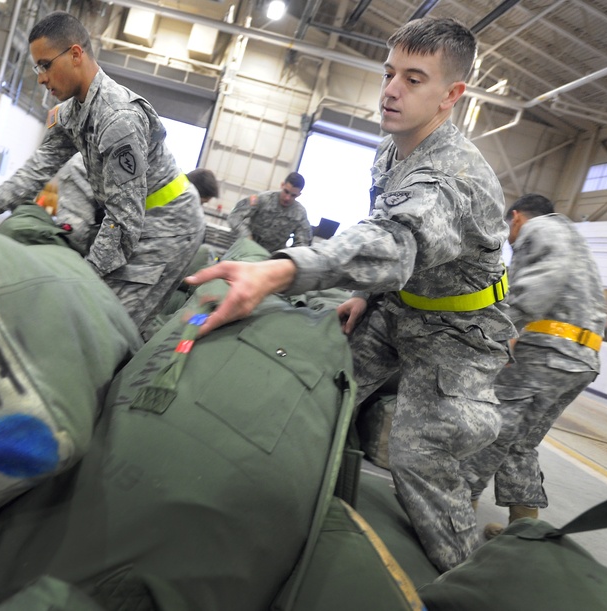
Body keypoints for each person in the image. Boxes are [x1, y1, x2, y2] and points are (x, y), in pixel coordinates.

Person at [185, 17, 516, 572]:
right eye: (390, 73)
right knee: (325, 387)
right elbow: (384, 227)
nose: (391, 89)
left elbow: (396, 240)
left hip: (458, 334)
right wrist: (369, 297)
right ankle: (308, 514)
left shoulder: (453, 178)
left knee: (417, 458)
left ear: (450, 96)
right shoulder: (392, 150)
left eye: (414, 79)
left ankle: (465, 579)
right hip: (399, 307)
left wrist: (281, 271)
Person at [0, 12, 205, 337]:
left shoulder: (118, 119)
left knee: (107, 329)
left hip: (167, 226)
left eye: (45, 65)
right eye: (37, 68)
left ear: (75, 54)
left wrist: (85, 277)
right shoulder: (72, 112)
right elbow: (37, 169)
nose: (41, 78)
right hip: (132, 217)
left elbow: (124, 220)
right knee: (85, 311)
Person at [461, 194, 606, 537]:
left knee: (491, 429)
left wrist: (497, 333)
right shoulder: (573, 240)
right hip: (581, 360)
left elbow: (538, 285)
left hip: (546, 354)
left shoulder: (539, 229)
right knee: (520, 443)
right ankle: (523, 529)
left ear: (516, 218)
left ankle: (454, 514)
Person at [226, 171, 311, 251]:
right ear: (282, 185)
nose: (287, 198)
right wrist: (246, 237)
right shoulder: (262, 199)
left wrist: (287, 257)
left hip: (272, 259)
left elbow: (303, 243)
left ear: (299, 195)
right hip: (246, 250)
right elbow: (235, 216)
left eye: (293, 195)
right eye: (286, 192)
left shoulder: (300, 214)